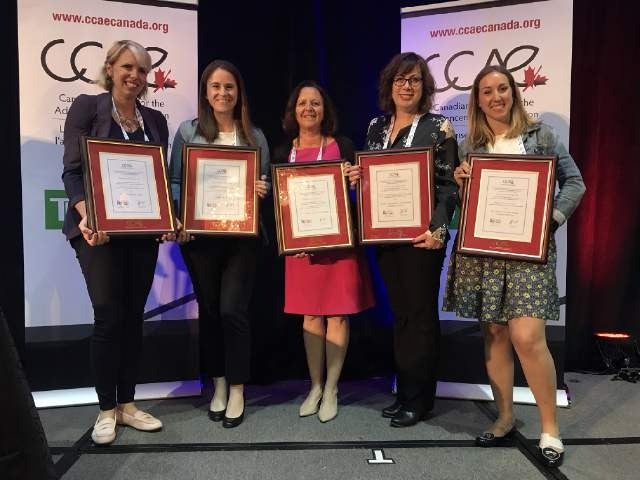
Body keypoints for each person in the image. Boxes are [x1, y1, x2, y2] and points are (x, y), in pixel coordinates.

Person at [443, 65, 585, 467]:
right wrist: (461, 181)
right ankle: (505, 418)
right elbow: (470, 204)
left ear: (514, 92)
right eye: (486, 92)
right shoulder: (473, 144)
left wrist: (552, 220)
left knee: (527, 338)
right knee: (496, 334)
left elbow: (574, 183)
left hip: (529, 254)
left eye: (502, 88)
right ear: (478, 100)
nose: (496, 97)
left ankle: (549, 429)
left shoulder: (542, 136)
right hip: (484, 253)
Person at [62, 40, 171, 445]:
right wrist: (86, 213)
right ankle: (106, 409)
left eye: (142, 71)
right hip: (97, 231)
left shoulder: (155, 122)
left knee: (132, 319)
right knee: (108, 316)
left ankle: (127, 404)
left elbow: (157, 181)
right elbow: (72, 172)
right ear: (110, 68)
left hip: (140, 234)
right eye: (127, 67)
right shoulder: (87, 108)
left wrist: (167, 217)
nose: (134, 76)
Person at [347, 52, 459, 427]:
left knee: (422, 316)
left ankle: (420, 398)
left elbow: (447, 188)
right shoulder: (377, 127)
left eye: (413, 80)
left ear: (424, 87)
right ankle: (405, 391)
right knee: (402, 317)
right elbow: (372, 178)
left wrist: (438, 230)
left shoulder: (439, 127)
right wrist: (357, 179)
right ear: (389, 86)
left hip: (422, 237)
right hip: (386, 236)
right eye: (400, 80)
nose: (406, 86)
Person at [169, 60, 270, 428]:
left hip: (242, 239)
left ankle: (239, 388)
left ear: (238, 92)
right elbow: (175, 181)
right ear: (205, 92)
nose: (223, 93)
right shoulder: (187, 131)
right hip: (200, 239)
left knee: (233, 312)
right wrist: (181, 217)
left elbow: (265, 185)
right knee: (210, 313)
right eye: (215, 87)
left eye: (229, 87)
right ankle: (220, 385)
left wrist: (263, 189)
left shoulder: (254, 136)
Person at [273, 81, 375, 422]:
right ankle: (314, 386)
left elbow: (358, 196)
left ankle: (332, 387)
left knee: (338, 316)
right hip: (301, 251)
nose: (309, 109)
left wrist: (356, 179)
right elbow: (278, 205)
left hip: (340, 247)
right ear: (294, 110)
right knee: (311, 316)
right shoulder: (281, 152)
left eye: (315, 103)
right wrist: (289, 238)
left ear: (325, 109)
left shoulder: (342, 146)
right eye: (303, 103)